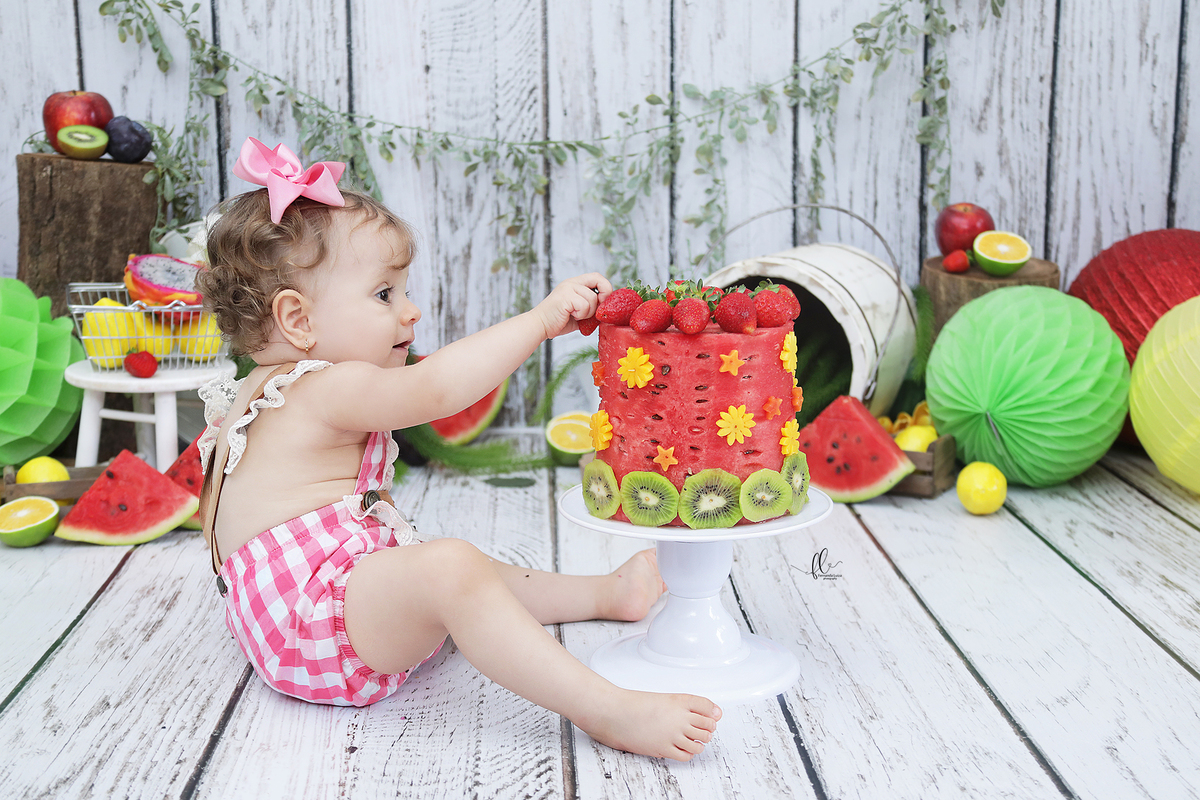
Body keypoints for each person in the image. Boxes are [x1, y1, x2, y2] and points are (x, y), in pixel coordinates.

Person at [195, 138, 720, 761]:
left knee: (461, 573)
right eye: (385, 294)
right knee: (451, 569)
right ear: (298, 320)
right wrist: (541, 321)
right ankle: (607, 709)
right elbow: (437, 388)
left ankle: (606, 594)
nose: (411, 311)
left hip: (280, 619)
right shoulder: (325, 387)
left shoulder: (253, 392)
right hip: (314, 630)